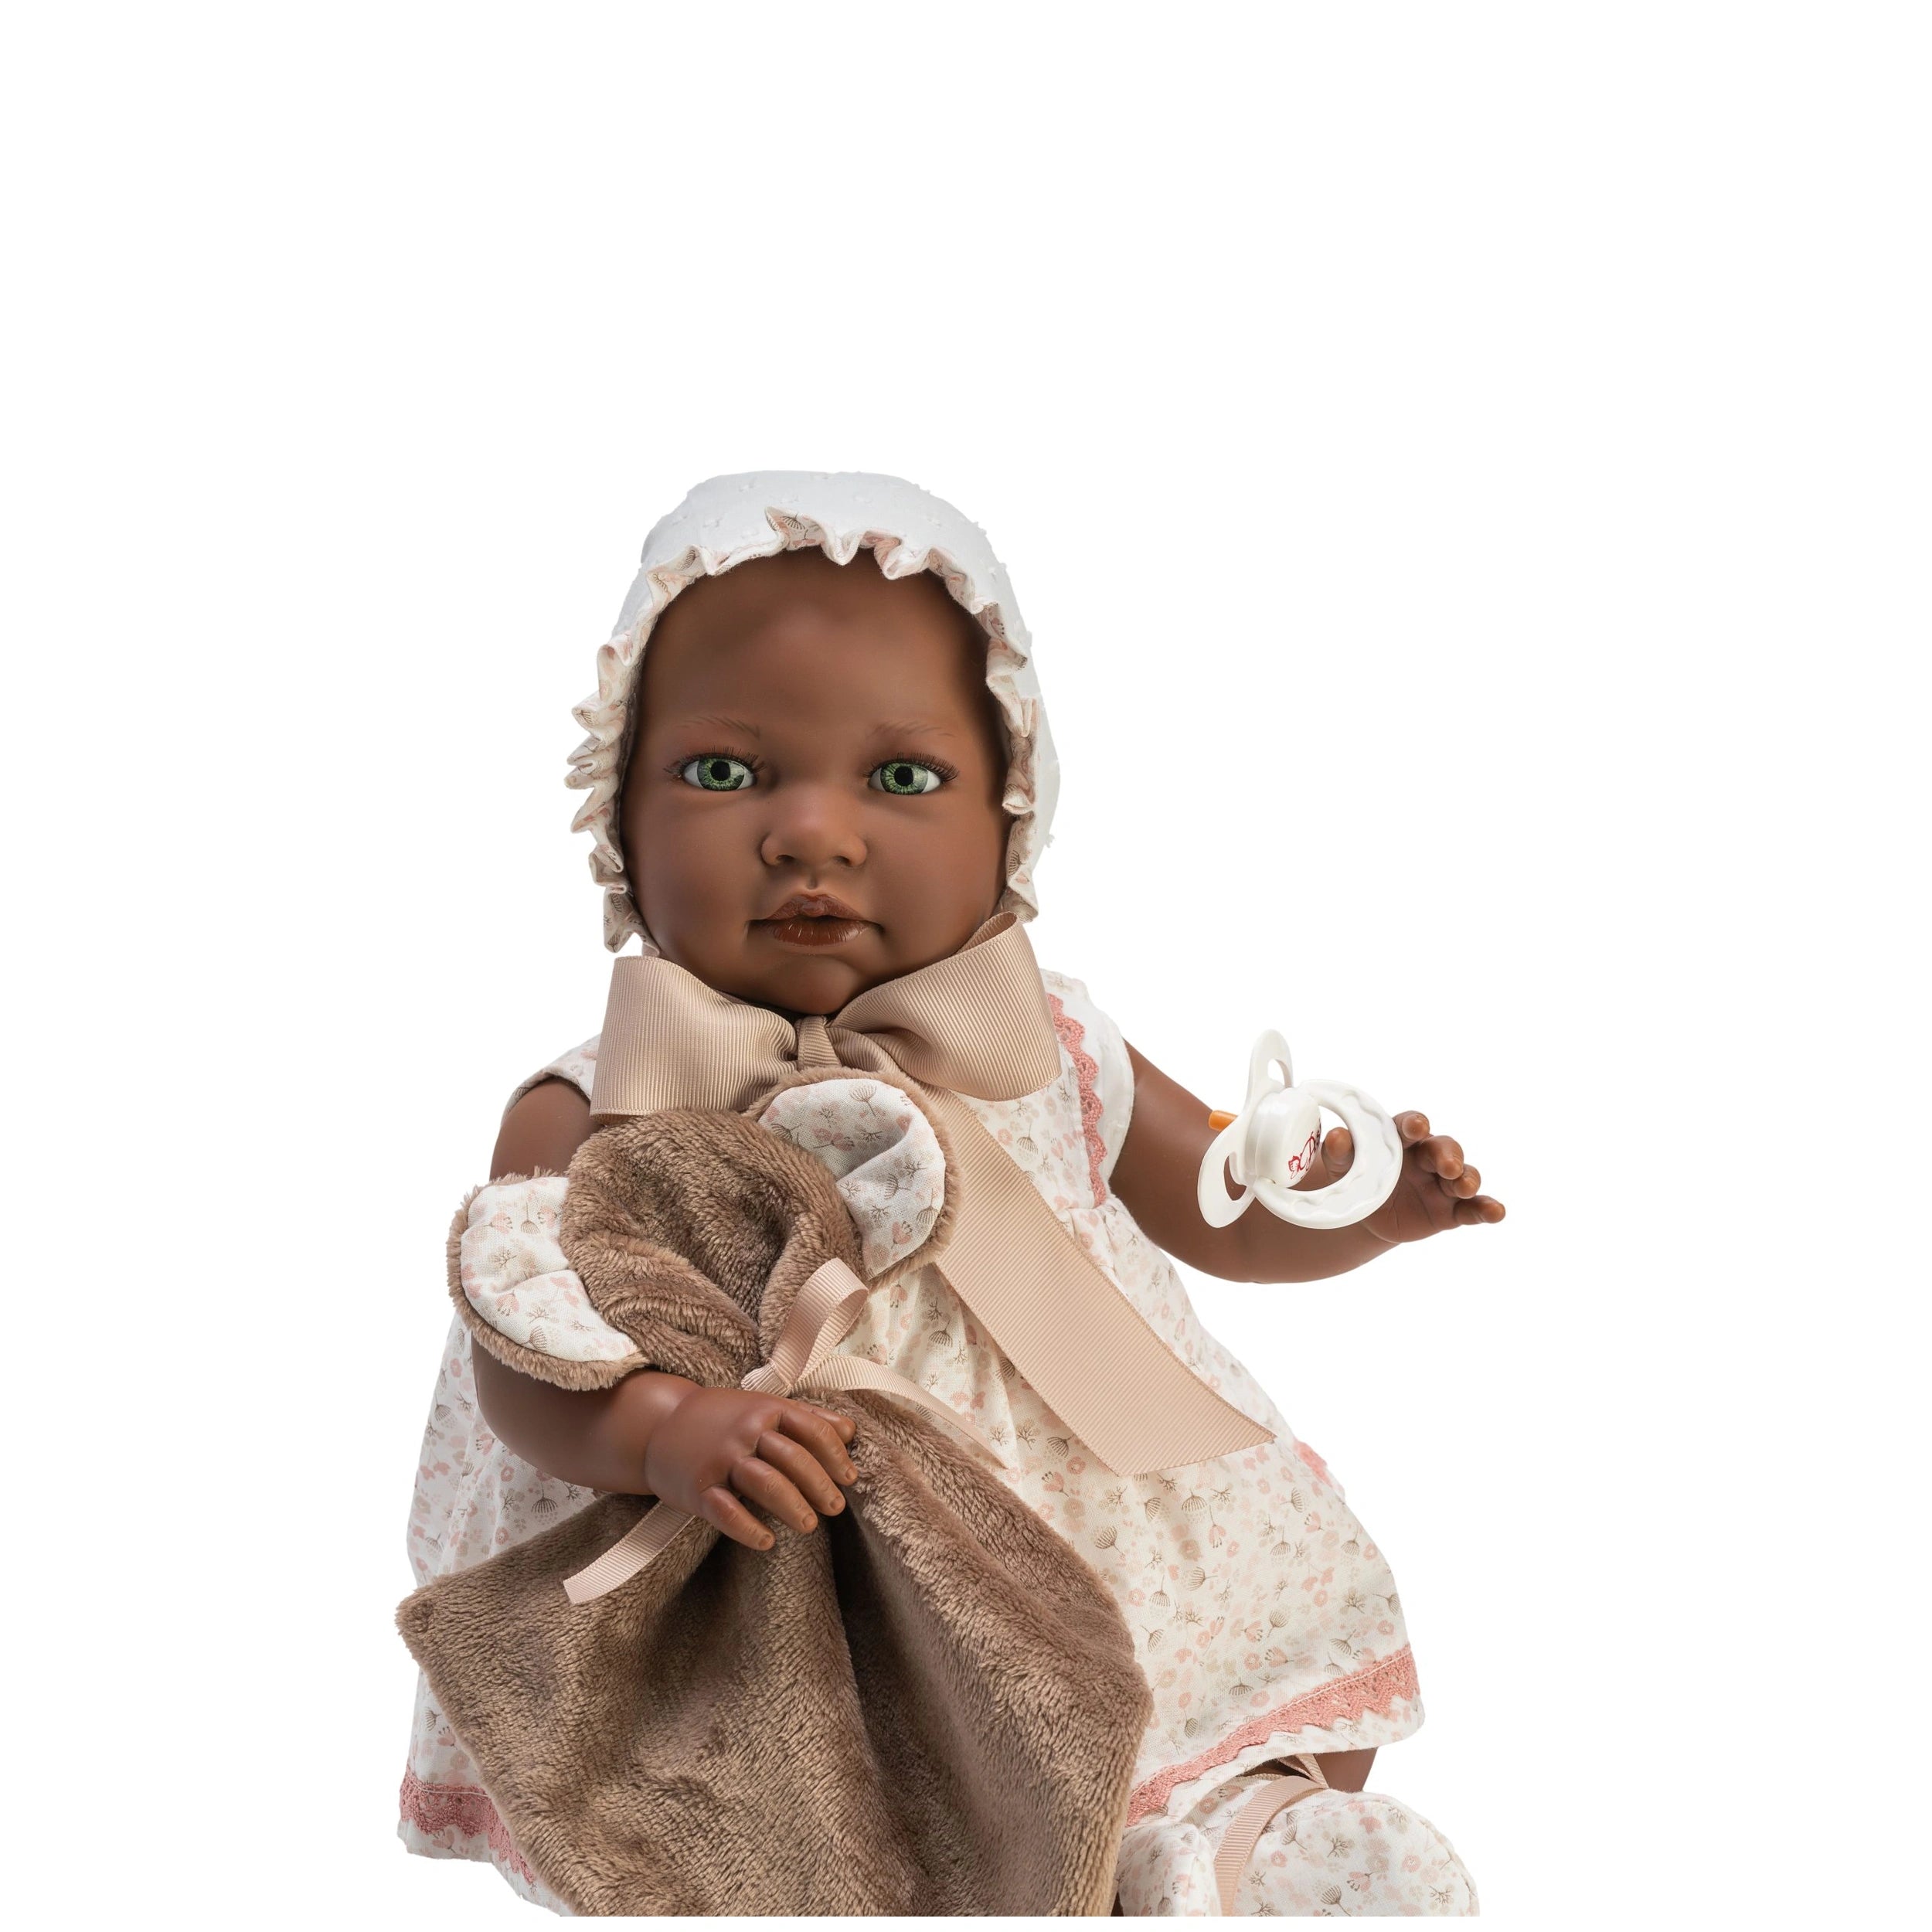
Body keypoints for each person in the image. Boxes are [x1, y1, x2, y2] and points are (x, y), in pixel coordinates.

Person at [400, 472, 1500, 1914]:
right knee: (809, 1820)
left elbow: (1215, 1205)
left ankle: (1223, 1848)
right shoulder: (598, 1113)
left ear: (1012, 817)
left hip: (1088, 1529)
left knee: (1169, 1706)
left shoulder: (1043, 1046)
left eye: (903, 781)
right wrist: (662, 1430)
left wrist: (1360, 1213)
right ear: (617, 811)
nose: (812, 833)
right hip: (785, 1583)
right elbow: (527, 1361)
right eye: (724, 774)